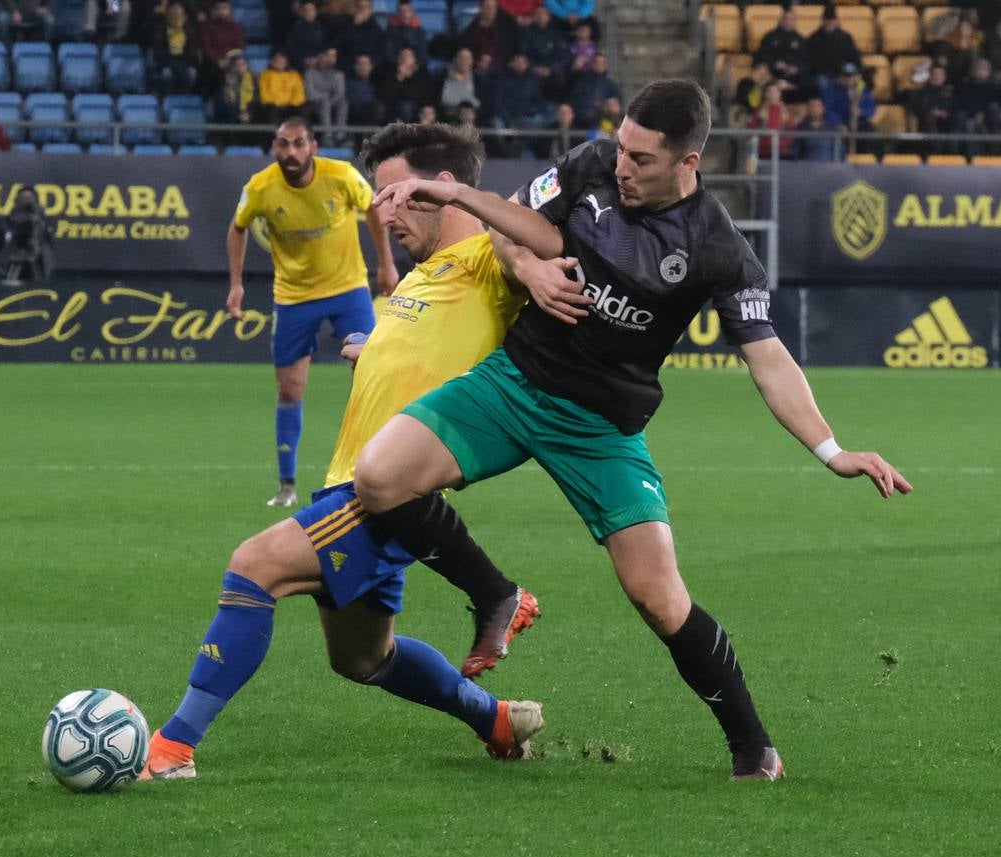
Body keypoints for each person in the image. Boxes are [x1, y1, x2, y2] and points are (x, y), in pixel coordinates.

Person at [358, 78, 912, 782]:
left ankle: (752, 747)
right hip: (513, 382)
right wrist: (524, 261)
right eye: (623, 147)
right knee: (379, 478)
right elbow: (513, 231)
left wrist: (832, 450)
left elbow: (768, 358)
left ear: (688, 162)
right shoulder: (590, 164)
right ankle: (497, 593)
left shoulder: (717, 247)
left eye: (643, 158)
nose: (624, 166)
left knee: (658, 597)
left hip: (600, 424)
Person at [140, 123, 542, 780]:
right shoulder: (425, 275)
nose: (382, 212)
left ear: (444, 190)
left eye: (394, 194)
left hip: (383, 492)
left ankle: (173, 748)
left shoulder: (491, 259)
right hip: (350, 481)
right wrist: (373, 353)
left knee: (255, 565)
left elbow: (539, 251)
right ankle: (494, 720)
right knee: (362, 659)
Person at [226, 118, 398, 508]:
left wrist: (385, 264)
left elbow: (373, 208)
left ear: (313, 147)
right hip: (293, 297)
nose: (291, 152)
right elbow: (237, 227)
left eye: (299, 144)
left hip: (348, 289)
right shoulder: (260, 188)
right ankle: (287, 486)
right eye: (284, 144)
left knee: (371, 377)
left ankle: (380, 473)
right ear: (274, 147)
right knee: (289, 389)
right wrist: (236, 284)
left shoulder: (341, 175)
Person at [0, 186, 54, 285]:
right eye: (23, 199)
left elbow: (48, 246)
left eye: (28, 199)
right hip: (11, 261)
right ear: (16, 201)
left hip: (36, 263)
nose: (25, 202)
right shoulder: (6, 220)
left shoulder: (42, 222)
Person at [304, 46, 348, 144]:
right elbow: (310, 94)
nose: (330, 59)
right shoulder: (310, 73)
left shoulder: (338, 75)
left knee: (343, 103)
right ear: (320, 57)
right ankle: (328, 136)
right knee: (324, 102)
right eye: (327, 56)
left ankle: (340, 136)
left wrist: (330, 100)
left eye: (333, 56)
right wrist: (325, 98)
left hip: (331, 102)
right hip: (314, 103)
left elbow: (340, 93)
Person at [152, 0, 198, 93]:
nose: (176, 11)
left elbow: (192, 50)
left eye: (179, 8)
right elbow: (158, 49)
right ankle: (168, 98)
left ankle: (185, 97)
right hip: (167, 62)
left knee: (192, 73)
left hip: (184, 61)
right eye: (173, 8)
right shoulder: (161, 28)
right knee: (166, 74)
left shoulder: (189, 29)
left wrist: (185, 61)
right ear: (168, 11)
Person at [257, 50, 308, 123]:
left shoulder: (294, 75)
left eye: (282, 61)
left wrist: (292, 103)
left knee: (302, 109)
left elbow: (299, 91)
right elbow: (264, 93)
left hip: (291, 104)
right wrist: (278, 103)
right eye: (278, 61)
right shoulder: (264, 75)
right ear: (272, 62)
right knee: (271, 110)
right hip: (273, 105)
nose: (280, 63)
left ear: (286, 63)